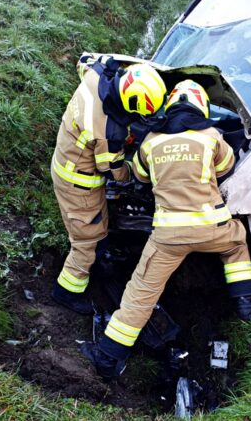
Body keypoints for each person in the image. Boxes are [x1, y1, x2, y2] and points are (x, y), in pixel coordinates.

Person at [80, 80, 251, 380]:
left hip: (169, 237)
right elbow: (226, 168)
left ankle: (108, 357)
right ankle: (247, 301)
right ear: (201, 106)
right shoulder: (211, 135)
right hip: (213, 228)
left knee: (141, 293)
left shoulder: (150, 141)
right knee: (236, 246)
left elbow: (141, 176)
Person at [51, 54, 167, 315]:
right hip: (78, 184)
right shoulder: (108, 132)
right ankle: (67, 291)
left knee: (99, 224)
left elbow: (84, 61)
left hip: (67, 160)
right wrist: (135, 175)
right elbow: (112, 169)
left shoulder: (96, 74)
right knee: (88, 241)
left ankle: (97, 262)